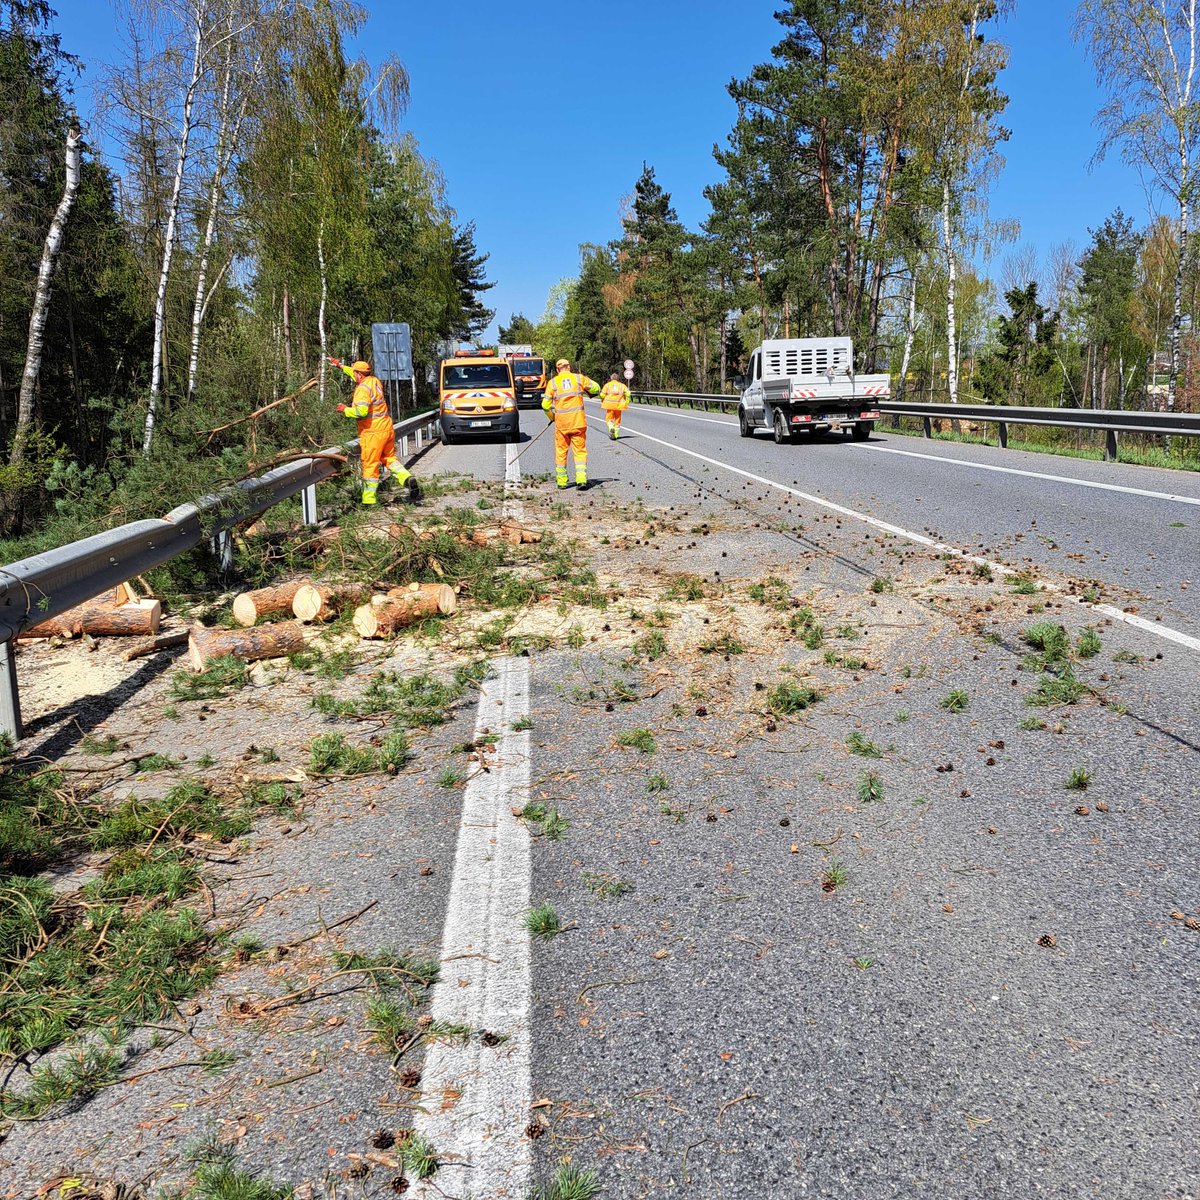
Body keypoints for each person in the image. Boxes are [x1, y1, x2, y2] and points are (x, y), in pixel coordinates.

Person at [329, 358, 414, 506]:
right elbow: (353, 372)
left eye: (355, 373)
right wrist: (340, 366)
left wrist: (345, 410)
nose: (353, 376)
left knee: (370, 465)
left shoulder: (362, 390)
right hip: (386, 428)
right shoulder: (374, 381)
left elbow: (361, 412)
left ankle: (369, 500)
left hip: (372, 432)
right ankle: (407, 478)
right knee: (389, 458)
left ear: (359, 375)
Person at [541, 357, 600, 488]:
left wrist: (552, 417)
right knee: (579, 451)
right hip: (578, 422)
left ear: (557, 370)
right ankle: (581, 480)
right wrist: (591, 391)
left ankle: (562, 482)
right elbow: (596, 388)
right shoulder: (579, 378)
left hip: (562, 425)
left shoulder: (553, 383)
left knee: (561, 452)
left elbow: (545, 405)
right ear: (569, 367)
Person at [600, 372, 631, 439]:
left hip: (609, 405)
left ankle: (611, 427)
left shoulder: (607, 385)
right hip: (619, 405)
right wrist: (627, 401)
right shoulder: (622, 385)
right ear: (618, 379)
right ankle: (616, 435)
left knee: (608, 418)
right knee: (617, 419)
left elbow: (602, 395)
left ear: (611, 378)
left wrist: (602, 398)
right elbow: (628, 393)